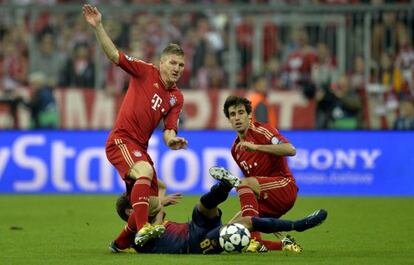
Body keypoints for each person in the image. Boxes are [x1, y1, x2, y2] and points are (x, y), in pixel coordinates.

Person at [83, 4, 188, 251]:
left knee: (153, 204)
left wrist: (172, 141)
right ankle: (142, 231)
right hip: (121, 140)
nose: (176, 69)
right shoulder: (144, 71)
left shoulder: (177, 97)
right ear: (161, 62)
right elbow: (114, 55)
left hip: (139, 146)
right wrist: (98, 26)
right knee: (145, 172)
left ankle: (120, 243)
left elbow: (169, 130)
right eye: (172, 63)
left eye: (181, 65)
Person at [111, 175, 328, 254]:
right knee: (245, 223)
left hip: (192, 228)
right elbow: (116, 245)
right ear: (131, 210)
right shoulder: (134, 231)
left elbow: (159, 194)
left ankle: (222, 187)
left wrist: (152, 194)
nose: (145, 199)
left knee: (202, 206)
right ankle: (296, 225)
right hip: (196, 245)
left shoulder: (150, 220)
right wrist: (158, 204)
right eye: (140, 200)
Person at [210, 95, 299, 251]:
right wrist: (269, 221)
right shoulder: (235, 150)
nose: (237, 118)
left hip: (285, 187)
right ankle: (284, 245)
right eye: (232, 114)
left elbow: (290, 150)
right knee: (226, 234)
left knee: (244, 183)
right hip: (266, 199)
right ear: (229, 120)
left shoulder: (263, 130)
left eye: (241, 112)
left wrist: (257, 147)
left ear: (249, 115)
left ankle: (255, 240)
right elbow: (251, 186)